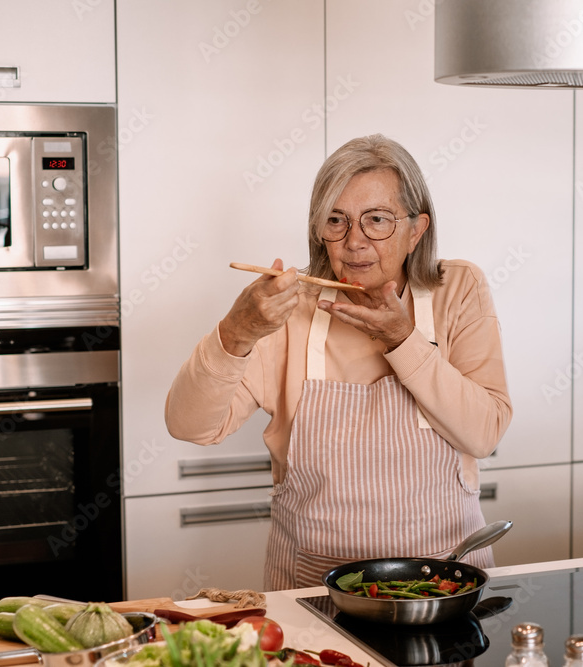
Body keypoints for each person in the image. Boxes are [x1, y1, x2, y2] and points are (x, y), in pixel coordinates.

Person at [165, 134, 512, 590]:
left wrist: (403, 339)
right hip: (315, 586)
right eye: (337, 221)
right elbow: (190, 426)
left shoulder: (457, 289)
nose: (354, 242)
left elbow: (484, 433)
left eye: (377, 220)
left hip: (442, 579)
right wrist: (237, 331)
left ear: (416, 230)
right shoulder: (291, 307)